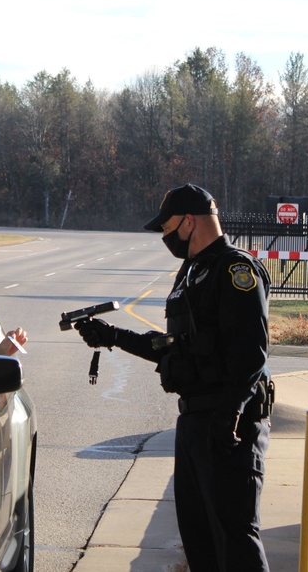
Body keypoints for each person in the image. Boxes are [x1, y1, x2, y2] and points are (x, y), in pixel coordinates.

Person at [75, 183, 273, 572]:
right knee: (200, 540)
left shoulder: (235, 270)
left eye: (167, 229)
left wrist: (229, 414)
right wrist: (113, 336)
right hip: (196, 420)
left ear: (189, 221)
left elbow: (252, 352)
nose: (165, 237)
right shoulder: (192, 271)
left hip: (229, 426)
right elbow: (174, 347)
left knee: (235, 540)